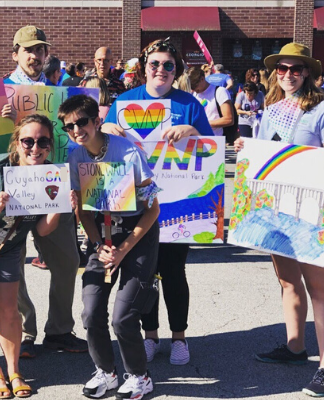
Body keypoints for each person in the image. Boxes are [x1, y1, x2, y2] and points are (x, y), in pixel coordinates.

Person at [235, 42, 324, 398]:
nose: (288, 75)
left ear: (307, 72)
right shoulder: (271, 109)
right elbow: (263, 158)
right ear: (274, 74)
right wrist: (244, 150)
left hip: (310, 211)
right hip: (276, 209)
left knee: (319, 287)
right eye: (282, 69)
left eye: (295, 69)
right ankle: (296, 347)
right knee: (289, 283)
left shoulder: (322, 108)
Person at [101, 39, 213, 371]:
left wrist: (193, 129)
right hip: (134, 204)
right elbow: (100, 146)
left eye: (168, 65)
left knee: (174, 273)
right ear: (143, 67)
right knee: (143, 275)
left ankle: (179, 337)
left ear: (176, 70)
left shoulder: (189, 103)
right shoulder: (123, 101)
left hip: (178, 204)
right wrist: (105, 128)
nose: (161, 70)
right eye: (155, 64)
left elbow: (211, 149)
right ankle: (150, 336)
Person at [0, 114, 76, 399]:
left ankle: (14, 370)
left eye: (42, 141)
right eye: (28, 141)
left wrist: (58, 207)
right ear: (17, 143)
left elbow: (43, 230)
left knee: (8, 311)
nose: (35, 148)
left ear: (50, 145)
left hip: (7, 248)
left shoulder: (51, 174)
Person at [60, 94, 160, 400]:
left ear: (97, 121)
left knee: (123, 317)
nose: (76, 130)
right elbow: (83, 212)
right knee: (91, 312)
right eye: (69, 126)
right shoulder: (76, 157)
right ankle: (106, 371)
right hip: (101, 236)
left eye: (82, 122)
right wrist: (96, 244)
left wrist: (124, 249)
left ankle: (140, 376)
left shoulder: (129, 152)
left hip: (137, 233)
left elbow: (153, 208)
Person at [4, 25, 87, 359]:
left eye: (40, 50)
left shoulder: (59, 93)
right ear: (16, 54)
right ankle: (25, 329)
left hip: (54, 183)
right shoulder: (0, 92)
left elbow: (75, 135)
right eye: (29, 50)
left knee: (67, 261)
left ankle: (59, 330)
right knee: (12, 264)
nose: (35, 56)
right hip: (14, 187)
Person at [188, 66, 234, 137]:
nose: (193, 89)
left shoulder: (220, 91)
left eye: (194, 86)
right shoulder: (194, 94)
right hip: (195, 139)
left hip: (215, 140)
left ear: (202, 79)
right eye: (191, 87)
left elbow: (229, 119)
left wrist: (204, 124)